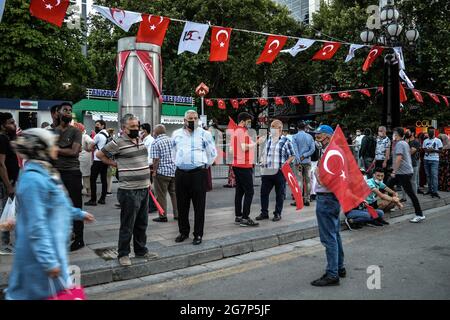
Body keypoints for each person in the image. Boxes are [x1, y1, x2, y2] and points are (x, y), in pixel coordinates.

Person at [5, 128, 94, 300]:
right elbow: (36, 225)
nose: (56, 148)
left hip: (52, 252)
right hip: (38, 260)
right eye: (53, 144)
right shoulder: (33, 179)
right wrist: (49, 261)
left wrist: (79, 213)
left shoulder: (47, 172)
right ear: (41, 148)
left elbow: (59, 205)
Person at [97, 114, 157, 266]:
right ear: (124, 128)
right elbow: (100, 155)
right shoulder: (117, 142)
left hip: (144, 187)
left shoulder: (140, 140)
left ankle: (141, 250)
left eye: (137, 126)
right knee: (127, 225)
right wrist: (117, 165)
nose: (136, 129)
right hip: (129, 190)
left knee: (142, 223)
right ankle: (123, 254)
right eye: (132, 127)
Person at [172, 110, 217, 245]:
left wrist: (203, 165)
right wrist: (179, 163)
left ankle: (198, 234)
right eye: (190, 118)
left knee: (199, 206)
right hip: (181, 174)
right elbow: (172, 152)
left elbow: (212, 153)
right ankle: (183, 232)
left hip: (198, 173)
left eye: (195, 118)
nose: (193, 120)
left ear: (198, 120)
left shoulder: (205, 134)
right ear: (184, 120)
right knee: (182, 205)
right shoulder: (176, 134)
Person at [310, 124, 345, 287]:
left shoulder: (332, 152)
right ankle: (338, 267)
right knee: (335, 234)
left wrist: (317, 174)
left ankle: (332, 274)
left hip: (327, 197)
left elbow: (327, 180)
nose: (317, 139)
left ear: (328, 136)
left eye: (319, 136)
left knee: (328, 237)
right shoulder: (332, 151)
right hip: (331, 198)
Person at [54, 103, 85, 251]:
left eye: (70, 110)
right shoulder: (53, 132)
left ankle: (79, 238)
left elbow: (74, 152)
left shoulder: (76, 131)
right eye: (65, 110)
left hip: (72, 173)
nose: (68, 112)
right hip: (56, 173)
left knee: (75, 205)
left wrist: (55, 149)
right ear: (57, 113)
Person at [256, 120, 295, 222]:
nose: (272, 129)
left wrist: (285, 164)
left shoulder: (286, 141)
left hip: (279, 172)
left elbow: (292, 155)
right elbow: (265, 153)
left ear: (280, 129)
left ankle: (277, 213)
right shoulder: (268, 140)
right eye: (271, 127)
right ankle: (264, 213)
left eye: (274, 127)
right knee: (263, 193)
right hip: (267, 171)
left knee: (280, 194)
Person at [387, 127, 424, 223]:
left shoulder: (399, 144)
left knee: (410, 193)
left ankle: (419, 214)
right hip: (403, 171)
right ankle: (393, 204)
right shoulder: (404, 143)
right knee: (389, 185)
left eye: (394, 134)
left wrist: (394, 171)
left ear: (397, 134)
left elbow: (399, 158)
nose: (393, 136)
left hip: (404, 172)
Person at [231, 112, 262, 227]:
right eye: (248, 121)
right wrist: (257, 143)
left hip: (237, 164)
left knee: (239, 191)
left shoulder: (236, 131)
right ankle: (245, 218)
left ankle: (238, 216)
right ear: (243, 121)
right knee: (249, 192)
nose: (249, 124)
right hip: (244, 165)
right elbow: (244, 147)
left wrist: (253, 141)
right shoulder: (241, 131)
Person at [0, 112, 19, 255]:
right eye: (10, 123)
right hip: (6, 183)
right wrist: (9, 186)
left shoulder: (7, 138)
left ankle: (5, 242)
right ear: (2, 126)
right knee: (4, 213)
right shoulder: (1, 139)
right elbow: (1, 164)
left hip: (11, 180)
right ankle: (3, 244)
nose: (14, 124)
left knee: (7, 213)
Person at [150, 124, 178, 222]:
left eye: (153, 131)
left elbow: (156, 159)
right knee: (174, 194)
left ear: (156, 132)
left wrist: (154, 171)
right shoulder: (172, 140)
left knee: (161, 195)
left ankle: (162, 216)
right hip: (174, 171)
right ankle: (177, 214)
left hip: (162, 172)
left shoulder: (155, 142)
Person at [85, 120, 109, 206]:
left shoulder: (98, 135)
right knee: (104, 179)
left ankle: (93, 199)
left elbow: (90, 146)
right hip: (105, 160)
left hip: (97, 160)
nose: (96, 126)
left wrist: (90, 148)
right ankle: (103, 198)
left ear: (103, 126)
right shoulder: (107, 134)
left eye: (98, 125)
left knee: (92, 179)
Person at [292, 121, 316, 206]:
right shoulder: (309, 137)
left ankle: (299, 200)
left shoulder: (294, 137)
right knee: (308, 180)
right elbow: (313, 149)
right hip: (307, 162)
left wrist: (299, 159)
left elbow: (295, 150)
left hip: (298, 162)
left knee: (299, 180)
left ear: (297, 128)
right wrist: (305, 155)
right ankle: (307, 199)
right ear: (305, 128)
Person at [141, 123, 158, 214]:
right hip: (145, 165)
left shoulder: (150, 140)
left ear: (145, 131)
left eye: (141, 130)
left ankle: (152, 206)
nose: (140, 132)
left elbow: (150, 155)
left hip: (148, 166)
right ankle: (150, 205)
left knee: (148, 186)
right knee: (146, 186)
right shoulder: (144, 140)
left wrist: (147, 165)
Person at [73, 122, 93, 197]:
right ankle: (85, 190)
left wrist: (88, 149)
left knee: (85, 175)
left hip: (85, 158)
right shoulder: (78, 136)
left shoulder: (85, 136)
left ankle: (88, 191)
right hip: (80, 157)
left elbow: (91, 142)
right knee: (83, 174)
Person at [422, 127, 443, 198]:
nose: (431, 133)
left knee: (434, 176)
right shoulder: (425, 141)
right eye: (429, 132)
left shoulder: (438, 140)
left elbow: (441, 150)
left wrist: (433, 150)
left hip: (434, 160)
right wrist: (427, 150)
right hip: (426, 159)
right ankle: (430, 190)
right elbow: (424, 149)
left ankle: (435, 192)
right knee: (428, 176)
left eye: (432, 132)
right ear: (428, 133)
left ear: (434, 132)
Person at [406, 128, 421, 194]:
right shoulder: (406, 141)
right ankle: (404, 197)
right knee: (405, 181)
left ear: (412, 133)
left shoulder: (416, 142)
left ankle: (415, 197)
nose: (406, 132)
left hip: (413, 164)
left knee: (413, 181)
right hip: (405, 164)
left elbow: (410, 152)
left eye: (408, 131)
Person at [106, 128, 115, 196]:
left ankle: (107, 190)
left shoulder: (106, 139)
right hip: (112, 160)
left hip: (106, 159)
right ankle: (108, 191)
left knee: (107, 175)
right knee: (110, 176)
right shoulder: (112, 140)